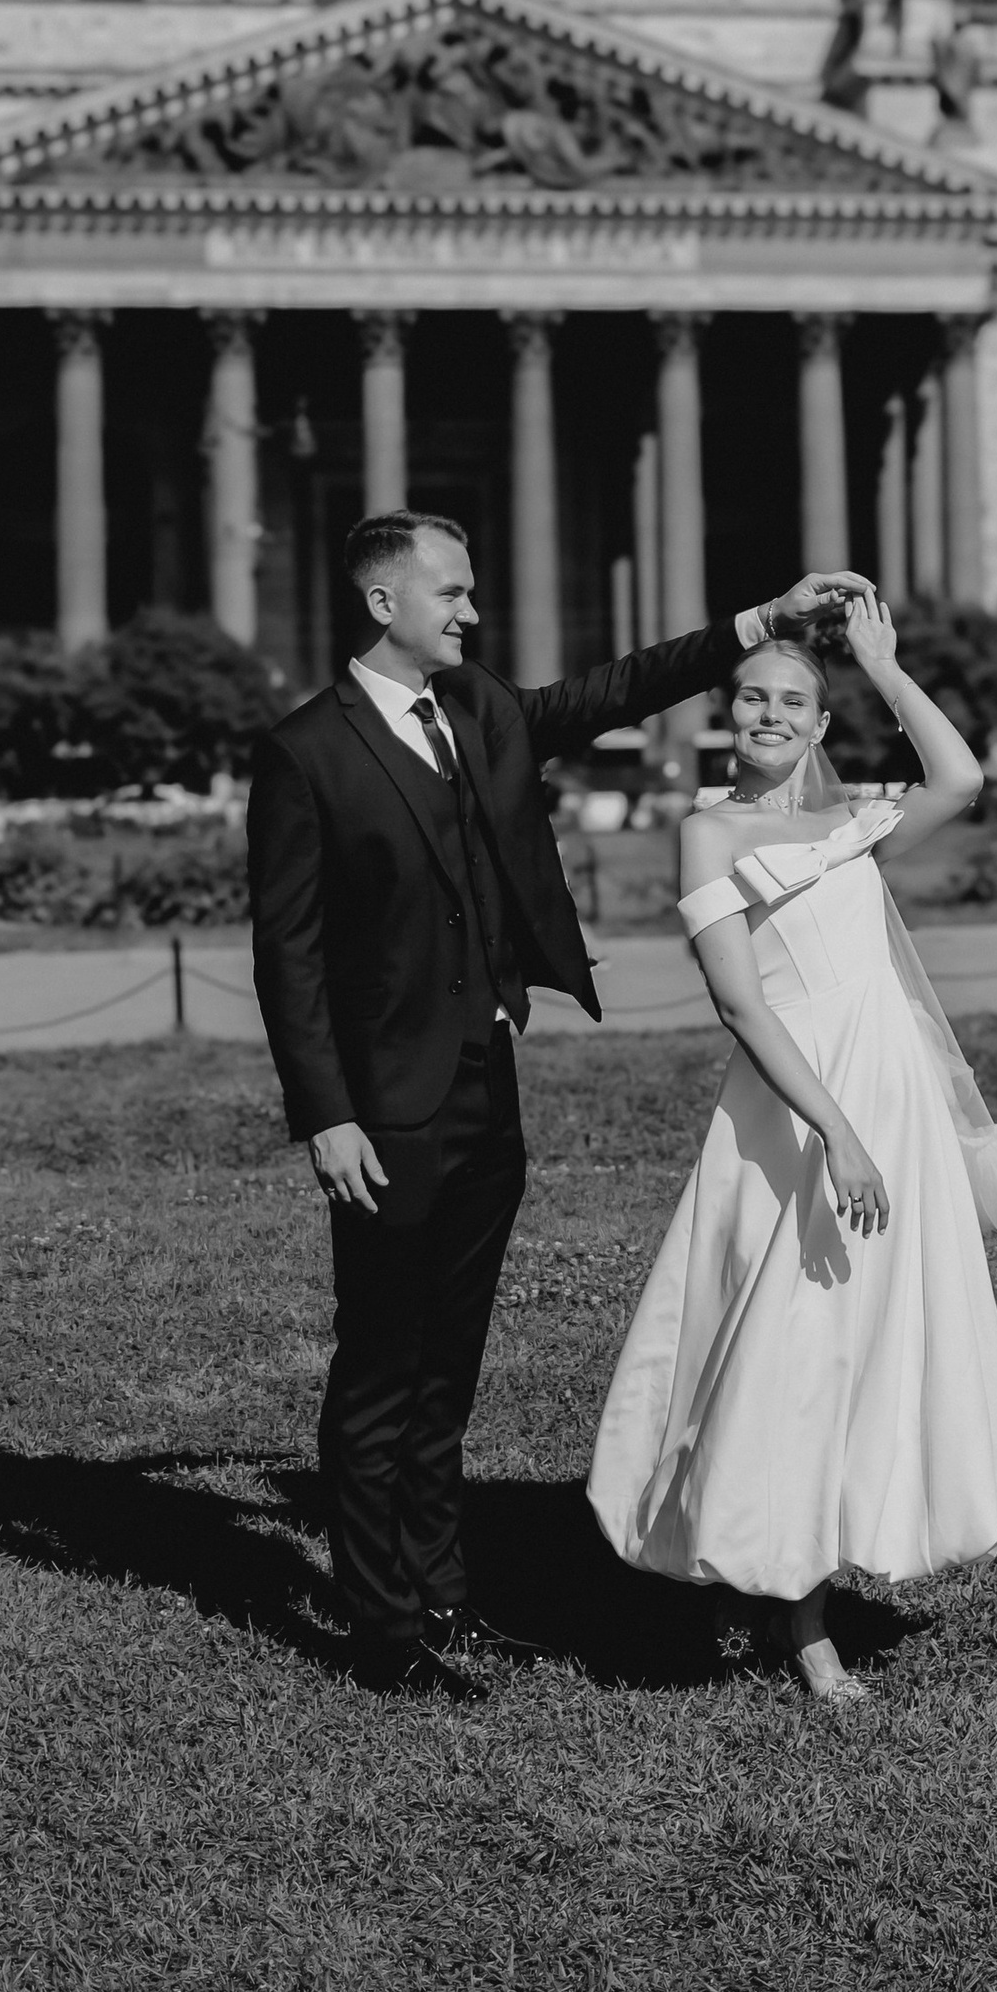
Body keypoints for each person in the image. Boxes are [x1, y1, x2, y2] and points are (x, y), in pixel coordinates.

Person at [248, 510, 874, 1701]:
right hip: (380, 1108)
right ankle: (382, 1635)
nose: (471, 610)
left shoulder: (478, 707)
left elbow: (619, 687)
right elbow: (290, 951)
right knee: (380, 1369)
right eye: (451, 592)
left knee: (448, 1370)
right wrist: (326, 1114)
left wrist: (763, 620)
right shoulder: (305, 751)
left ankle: (443, 1596)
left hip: (486, 1087)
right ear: (384, 602)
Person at [587, 593, 997, 1701]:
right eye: (753, 696)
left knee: (876, 1338)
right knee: (794, 1350)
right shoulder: (709, 830)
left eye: (792, 702)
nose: (769, 713)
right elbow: (741, 1006)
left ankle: (805, 1555)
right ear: (729, 713)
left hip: (897, 1102)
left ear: (818, 723)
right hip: (798, 1114)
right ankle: (794, 1612)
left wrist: (884, 667)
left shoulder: (852, 818)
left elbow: (961, 779)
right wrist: (836, 1131)